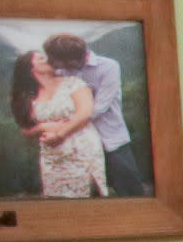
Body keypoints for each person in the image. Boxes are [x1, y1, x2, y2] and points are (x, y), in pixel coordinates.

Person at [29, 32, 107, 198]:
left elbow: (86, 112)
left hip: (81, 149)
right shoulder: (29, 94)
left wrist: (60, 133)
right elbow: (25, 127)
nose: (48, 60)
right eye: (42, 58)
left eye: (48, 57)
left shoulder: (73, 82)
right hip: (52, 154)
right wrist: (43, 127)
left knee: (86, 195)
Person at [76, 40, 144, 197]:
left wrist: (72, 121)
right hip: (81, 142)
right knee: (90, 194)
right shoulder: (64, 70)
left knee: (130, 190)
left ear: (85, 53)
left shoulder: (108, 66)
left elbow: (101, 106)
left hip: (111, 139)